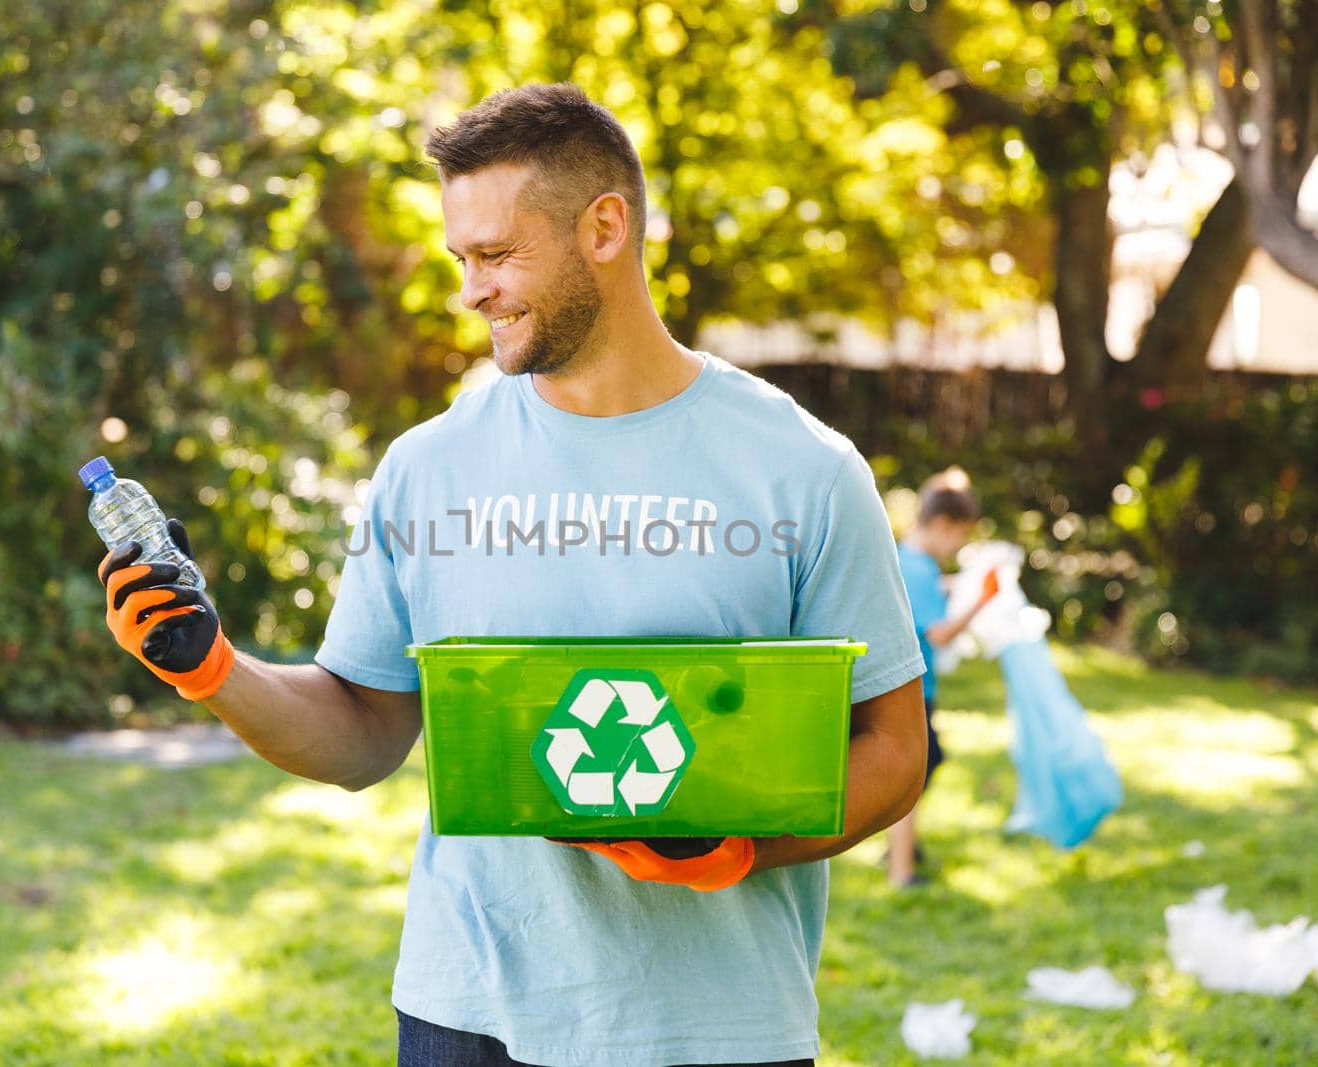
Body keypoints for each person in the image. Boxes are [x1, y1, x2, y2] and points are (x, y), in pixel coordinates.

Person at [97, 83, 928, 1067]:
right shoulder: (425, 467)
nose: (471, 289)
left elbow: (892, 747)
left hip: (714, 1027)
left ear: (604, 228)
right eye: (462, 258)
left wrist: (737, 849)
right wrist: (210, 665)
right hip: (466, 1017)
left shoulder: (802, 467)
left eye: (496, 255)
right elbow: (363, 732)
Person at [887, 469, 999, 888]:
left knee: (929, 762)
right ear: (942, 525)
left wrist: (963, 585)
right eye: (961, 536)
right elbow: (941, 632)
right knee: (913, 776)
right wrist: (984, 602)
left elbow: (932, 593)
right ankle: (901, 868)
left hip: (911, 685)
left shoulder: (909, 559)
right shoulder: (917, 568)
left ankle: (901, 844)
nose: (961, 546)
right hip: (913, 689)